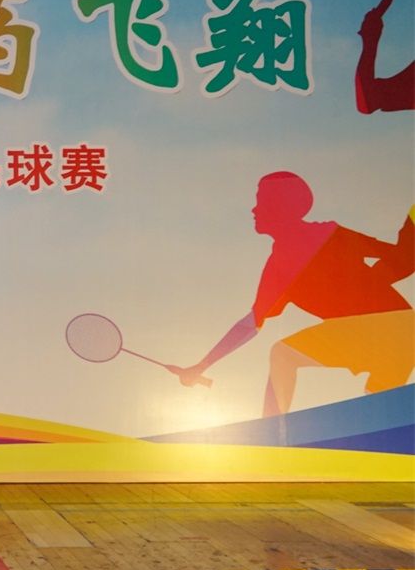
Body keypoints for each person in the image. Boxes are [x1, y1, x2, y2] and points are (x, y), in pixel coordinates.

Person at [167, 172, 414, 417]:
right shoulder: (296, 254)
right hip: (401, 334)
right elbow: (401, 258)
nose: (254, 210)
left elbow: (403, 258)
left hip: (387, 329)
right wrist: (201, 366)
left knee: (283, 355)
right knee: (378, 413)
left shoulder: (318, 240)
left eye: (261, 202)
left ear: (281, 207)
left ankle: (272, 428)